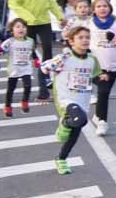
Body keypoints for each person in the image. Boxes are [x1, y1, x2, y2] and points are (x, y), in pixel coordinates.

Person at [41, 23, 99, 177]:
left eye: (87, 37)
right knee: (79, 119)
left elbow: (96, 76)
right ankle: (64, 123)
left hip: (83, 100)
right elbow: (44, 69)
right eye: (80, 38)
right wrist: (57, 62)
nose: (85, 40)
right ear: (71, 41)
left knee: (76, 131)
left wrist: (104, 77)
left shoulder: (92, 60)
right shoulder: (65, 57)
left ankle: (61, 158)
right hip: (65, 99)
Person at [86, 0, 116, 136]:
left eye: (105, 6)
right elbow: (81, 38)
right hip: (96, 65)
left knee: (105, 93)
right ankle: (103, 122)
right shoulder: (89, 23)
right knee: (102, 91)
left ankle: (98, 115)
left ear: (109, 8)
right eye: (99, 6)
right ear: (94, 9)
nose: (102, 9)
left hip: (113, 64)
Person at [0, 18, 38, 116]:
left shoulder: (30, 41)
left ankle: (25, 102)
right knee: (11, 89)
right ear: (12, 30)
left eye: (24, 27)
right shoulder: (10, 41)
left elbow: (32, 51)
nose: (21, 29)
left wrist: (36, 59)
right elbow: (0, 50)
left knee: (28, 86)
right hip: (14, 69)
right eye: (18, 27)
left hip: (26, 68)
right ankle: (7, 106)